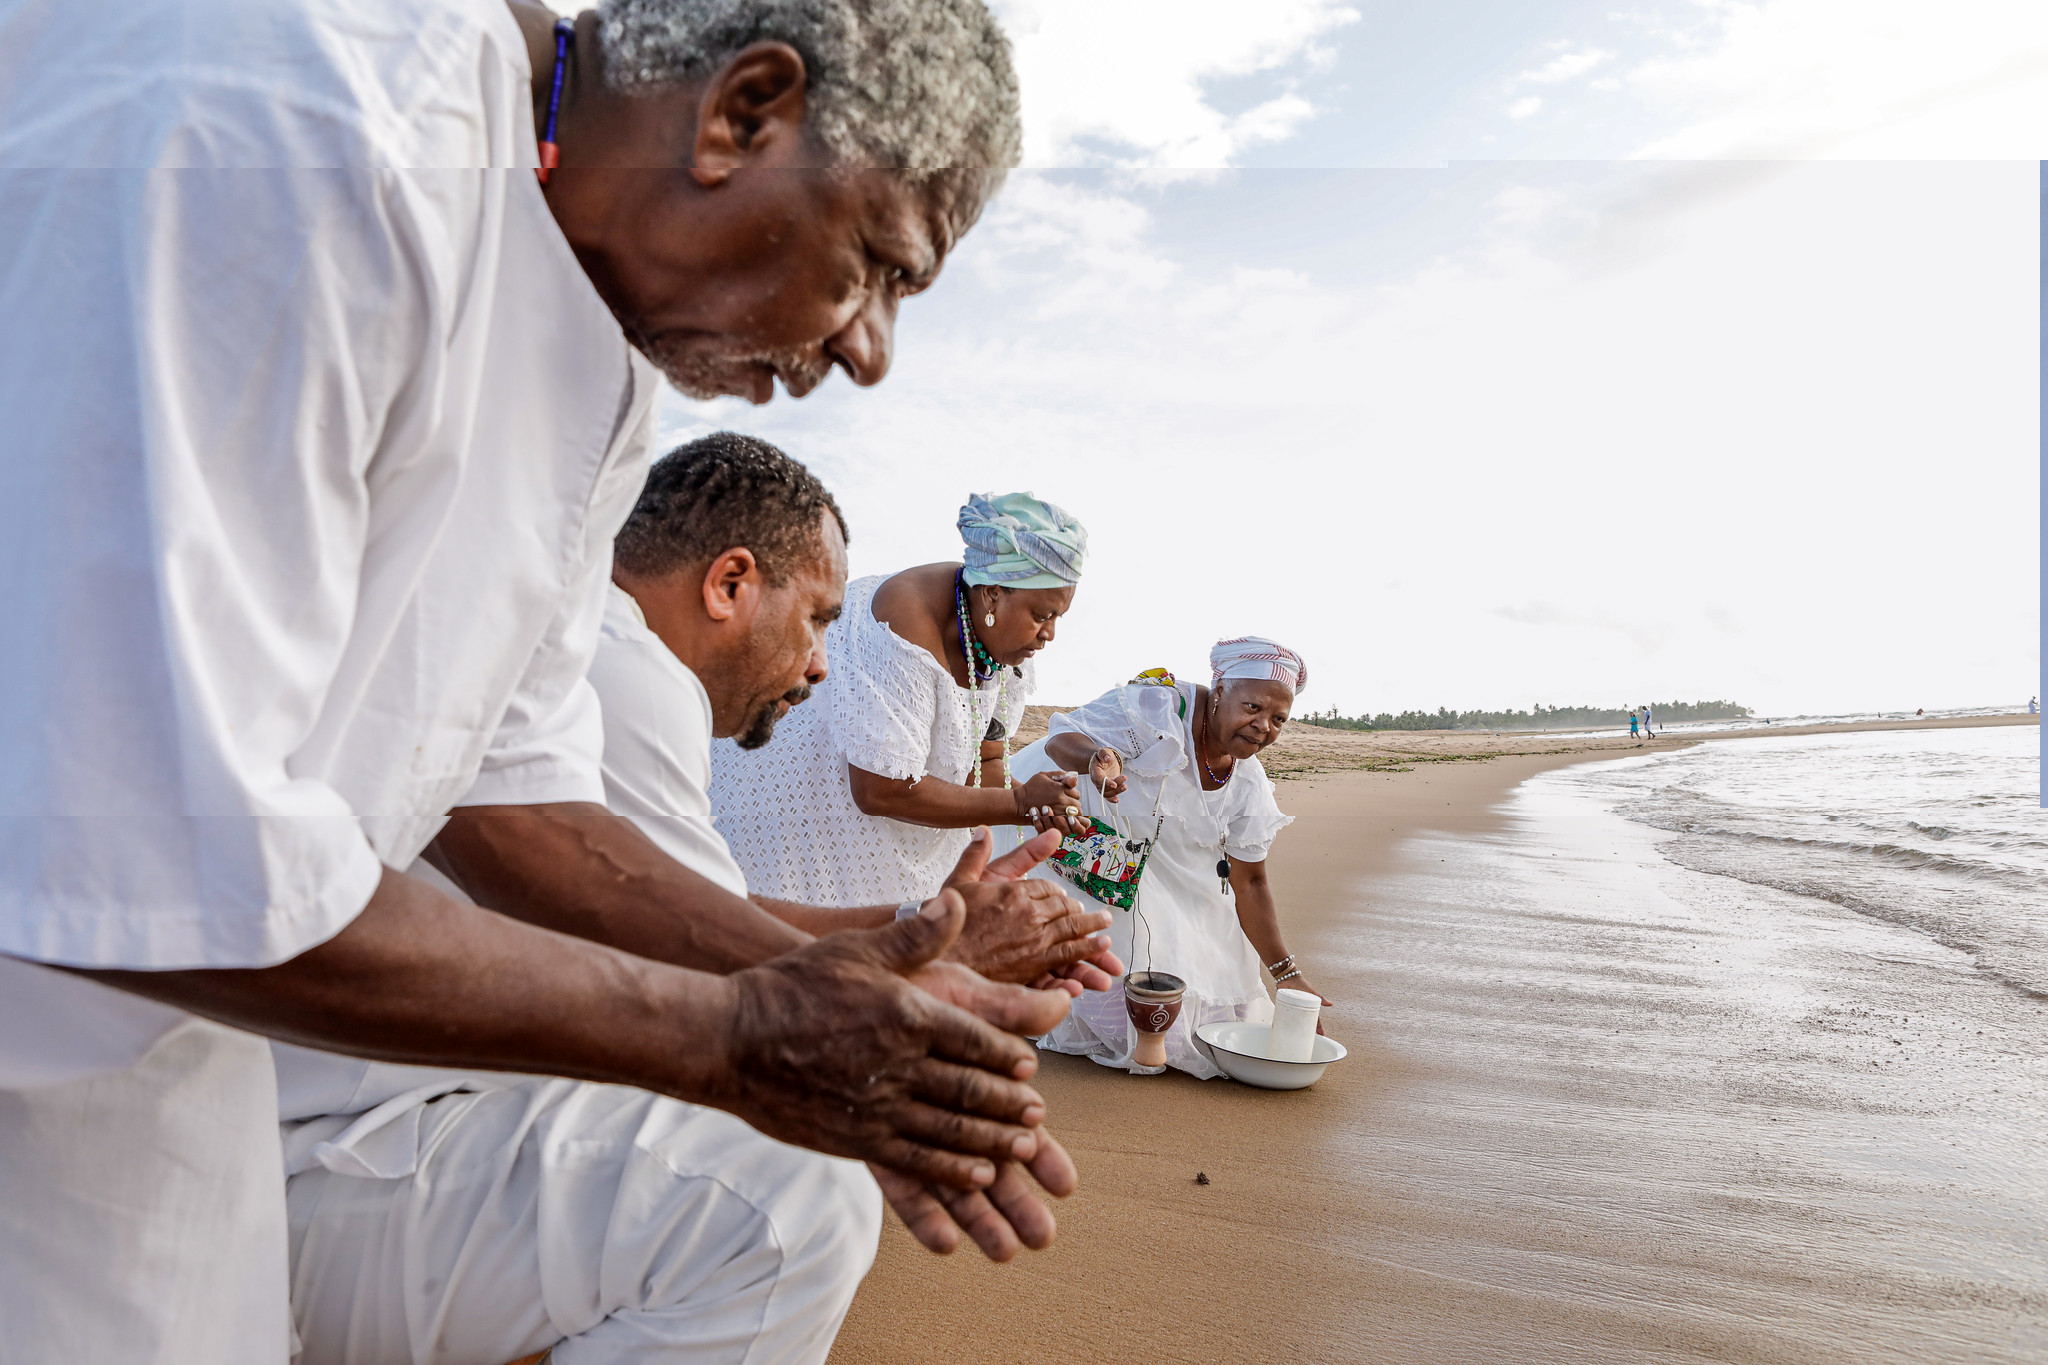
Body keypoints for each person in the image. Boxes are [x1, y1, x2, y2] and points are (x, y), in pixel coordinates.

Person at [0, 2, 1049, 1361]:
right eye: (879, 267)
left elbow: (512, 796)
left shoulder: (593, 329)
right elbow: (145, 839)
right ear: (745, 112)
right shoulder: (308, 120)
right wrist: (732, 1039)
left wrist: (835, 986)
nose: (868, 349)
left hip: (153, 1046)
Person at [284, 436, 1117, 1363]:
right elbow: (698, 947)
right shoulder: (625, 671)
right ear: (729, 584)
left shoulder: (575, 638)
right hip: (326, 1159)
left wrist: (920, 933)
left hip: (361, 1127)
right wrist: (929, 965)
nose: (819, 665)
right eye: (814, 621)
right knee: (786, 1204)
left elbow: (697, 915)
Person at [712, 491, 1093, 908]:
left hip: (908, 840)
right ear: (993, 594)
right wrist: (1019, 803)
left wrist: (1040, 802)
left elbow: (983, 764)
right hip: (808, 816)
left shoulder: (1000, 647)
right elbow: (880, 790)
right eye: (1042, 615)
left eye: (1059, 618)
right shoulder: (901, 623)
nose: (1050, 634)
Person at [1013, 639, 1324, 1078]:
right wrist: (1097, 759)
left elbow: (1250, 883)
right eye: (1252, 707)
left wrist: (1285, 972)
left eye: (1278, 719)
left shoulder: (1248, 784)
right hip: (1069, 826)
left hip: (1145, 852)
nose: (1263, 726)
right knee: (1121, 1000)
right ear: (1219, 690)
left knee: (1217, 986)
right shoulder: (1157, 707)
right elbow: (1059, 738)